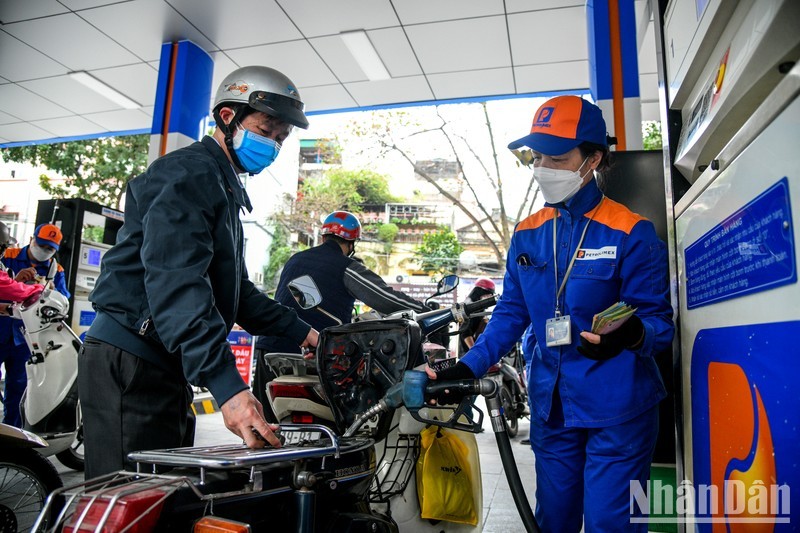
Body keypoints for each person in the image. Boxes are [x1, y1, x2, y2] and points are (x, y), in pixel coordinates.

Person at [426, 95, 674, 532]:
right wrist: (466, 365)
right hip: (552, 406)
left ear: (593, 158)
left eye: (557, 157)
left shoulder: (632, 231)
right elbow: (511, 313)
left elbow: (659, 324)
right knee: (553, 520)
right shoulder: (528, 233)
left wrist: (631, 335)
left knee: (609, 523)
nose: (543, 167)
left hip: (618, 410)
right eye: (538, 157)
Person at [79, 66, 319, 479]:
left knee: (166, 493)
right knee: (127, 503)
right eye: (267, 130)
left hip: (160, 363)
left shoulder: (222, 187)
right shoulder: (188, 174)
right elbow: (178, 284)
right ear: (228, 117)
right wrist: (228, 388)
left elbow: (237, 293)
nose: (273, 145)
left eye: (281, 138)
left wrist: (309, 334)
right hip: (131, 360)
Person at [253, 210, 429, 412]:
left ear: (323, 236)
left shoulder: (295, 259)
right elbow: (386, 298)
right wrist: (423, 309)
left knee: (263, 422)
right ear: (352, 243)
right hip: (314, 354)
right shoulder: (346, 266)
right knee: (345, 416)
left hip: (271, 350)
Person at [0, 223, 70, 427]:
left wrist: (51, 289)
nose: (44, 251)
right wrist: (23, 283)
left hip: (24, 336)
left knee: (19, 388)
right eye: (41, 245)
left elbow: (63, 298)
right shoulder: (9, 254)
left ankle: (10, 434)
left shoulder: (55, 268)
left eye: (50, 249)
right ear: (32, 239)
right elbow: (5, 284)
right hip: (2, 328)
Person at [456, 278, 496, 357]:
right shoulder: (471, 308)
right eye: (489, 294)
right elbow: (465, 333)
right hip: (468, 355)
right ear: (480, 293)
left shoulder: (478, 308)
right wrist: (476, 354)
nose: (490, 297)